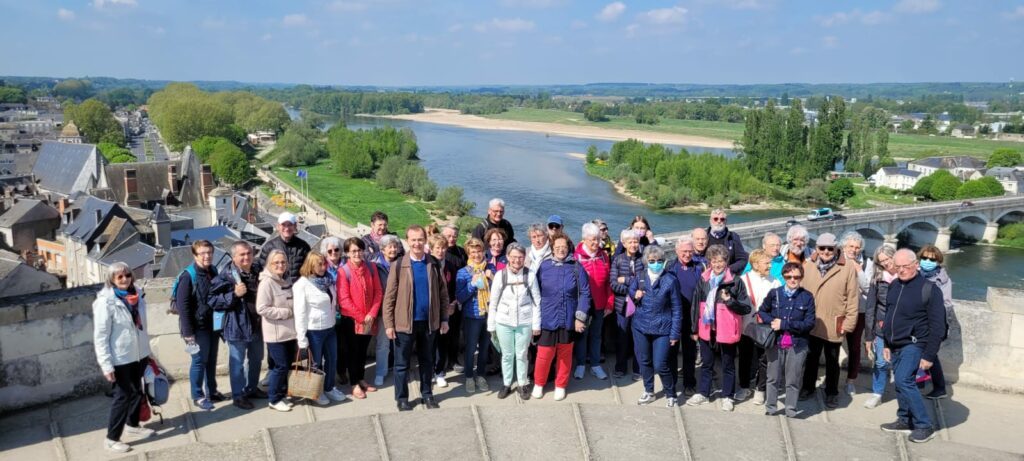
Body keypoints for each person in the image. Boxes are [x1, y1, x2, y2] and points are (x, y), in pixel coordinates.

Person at [879, 249, 945, 443]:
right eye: (897, 266)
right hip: (895, 343)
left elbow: (938, 326)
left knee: (903, 381)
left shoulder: (929, 289)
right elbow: (889, 315)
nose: (901, 270)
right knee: (900, 384)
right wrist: (886, 343)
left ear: (916, 265)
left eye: (906, 266)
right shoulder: (894, 285)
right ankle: (904, 419)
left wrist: (929, 355)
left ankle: (924, 425)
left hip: (915, 343)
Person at [383, 225, 451, 411]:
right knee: (401, 364)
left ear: (425, 240)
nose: (417, 243)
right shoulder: (398, 265)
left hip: (428, 323)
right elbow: (389, 298)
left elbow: (443, 295)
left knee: (427, 361)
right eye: (413, 240)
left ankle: (427, 395)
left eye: (420, 239)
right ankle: (402, 398)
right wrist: (389, 324)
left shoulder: (433, 264)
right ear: (407, 241)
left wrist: (444, 319)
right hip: (404, 324)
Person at [93, 263, 154, 453]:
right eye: (119, 277)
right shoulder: (105, 302)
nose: (124, 279)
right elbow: (101, 336)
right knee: (122, 397)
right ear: (111, 280)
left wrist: (147, 352)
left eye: (127, 275)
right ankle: (111, 439)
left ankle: (132, 425)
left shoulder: (137, 295)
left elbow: (141, 328)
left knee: (137, 391)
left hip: (138, 354)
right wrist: (106, 365)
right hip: (120, 357)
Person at [686, 244, 752, 411]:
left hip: (727, 328)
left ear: (726, 262)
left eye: (721, 261)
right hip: (707, 328)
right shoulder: (704, 279)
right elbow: (696, 305)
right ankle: (703, 393)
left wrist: (730, 301)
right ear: (709, 262)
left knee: (728, 365)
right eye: (714, 261)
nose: (717, 264)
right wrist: (694, 329)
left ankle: (728, 396)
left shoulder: (735, 281)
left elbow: (746, 307)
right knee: (706, 363)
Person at [799, 232, 860, 409]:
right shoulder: (809, 265)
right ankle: (808, 387)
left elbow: (853, 298)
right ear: (816, 248)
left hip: (834, 322)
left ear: (836, 249)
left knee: (832, 361)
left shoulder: (847, 267)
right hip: (813, 321)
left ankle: (832, 392)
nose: (826, 251)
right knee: (811, 358)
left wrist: (849, 323)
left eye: (830, 248)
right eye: (822, 248)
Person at [531, 232, 591, 401]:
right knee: (544, 355)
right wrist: (534, 320)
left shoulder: (576, 267)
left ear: (569, 248)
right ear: (552, 248)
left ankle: (560, 385)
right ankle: (539, 383)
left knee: (565, 355)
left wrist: (580, 317)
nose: (561, 250)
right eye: (557, 247)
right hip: (547, 318)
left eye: (564, 247)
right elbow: (535, 292)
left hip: (568, 318)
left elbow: (585, 293)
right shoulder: (544, 266)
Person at [207, 241, 266, 410]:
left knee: (256, 359)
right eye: (242, 254)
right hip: (237, 326)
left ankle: (251, 388)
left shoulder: (257, 270)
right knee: (237, 363)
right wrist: (234, 294)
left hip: (257, 324)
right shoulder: (226, 275)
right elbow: (212, 300)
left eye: (249, 253)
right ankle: (238, 396)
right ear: (233, 257)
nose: (247, 257)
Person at [758, 262, 816, 418]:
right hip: (775, 342)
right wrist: (772, 322)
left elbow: (809, 323)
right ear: (783, 277)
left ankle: (791, 409)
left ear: (801, 277)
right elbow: (762, 311)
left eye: (796, 277)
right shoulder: (774, 293)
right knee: (773, 378)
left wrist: (784, 324)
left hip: (797, 344)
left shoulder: (807, 297)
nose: (792, 280)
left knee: (793, 379)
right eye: (788, 276)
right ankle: (771, 408)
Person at [630, 245, 683, 407]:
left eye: (659, 260)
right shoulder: (640, 276)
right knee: (644, 361)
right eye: (652, 261)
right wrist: (634, 294)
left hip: (663, 328)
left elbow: (677, 309)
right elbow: (630, 291)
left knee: (660, 364)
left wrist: (675, 333)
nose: (656, 263)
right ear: (647, 261)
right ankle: (649, 391)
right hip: (640, 326)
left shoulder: (671, 280)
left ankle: (671, 394)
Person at [293, 252, 347, 405]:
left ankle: (329, 387)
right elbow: (300, 312)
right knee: (316, 363)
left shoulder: (328, 281)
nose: (324, 267)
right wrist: (301, 338)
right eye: (319, 264)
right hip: (314, 330)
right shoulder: (302, 285)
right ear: (311, 265)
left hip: (330, 327)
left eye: (325, 264)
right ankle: (316, 391)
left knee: (332, 359)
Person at [488, 243, 541, 399]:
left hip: (525, 322)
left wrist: (536, 325)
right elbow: (493, 302)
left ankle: (522, 383)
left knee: (522, 354)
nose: (517, 260)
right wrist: (491, 326)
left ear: (524, 258)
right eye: (514, 257)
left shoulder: (530, 275)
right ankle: (507, 383)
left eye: (520, 257)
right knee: (507, 355)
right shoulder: (500, 275)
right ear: (508, 257)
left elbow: (537, 301)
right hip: (503, 322)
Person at [175, 240, 223, 411]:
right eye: (202, 253)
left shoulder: (213, 270)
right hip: (196, 328)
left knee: (211, 360)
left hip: (212, 325)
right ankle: (198, 396)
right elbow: (183, 307)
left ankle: (212, 391)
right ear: (195, 255)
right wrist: (188, 334)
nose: (207, 256)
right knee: (198, 361)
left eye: (209, 252)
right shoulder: (188, 276)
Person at [337, 237, 383, 399]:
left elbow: (378, 292)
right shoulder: (343, 272)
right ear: (347, 253)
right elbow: (344, 299)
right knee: (352, 351)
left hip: (369, 318)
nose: (357, 254)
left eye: (359, 250)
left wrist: (372, 313)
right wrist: (361, 316)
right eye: (353, 251)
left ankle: (361, 378)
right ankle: (354, 383)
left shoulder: (371, 267)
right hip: (351, 320)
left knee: (363, 350)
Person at [256, 250, 299, 412]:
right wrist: (285, 312)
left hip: (289, 332)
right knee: (280, 366)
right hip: (275, 334)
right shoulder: (267, 283)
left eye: (283, 262)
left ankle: (281, 394)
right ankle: (273, 399)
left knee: (286, 365)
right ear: (269, 264)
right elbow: (262, 308)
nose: (280, 265)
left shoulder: (285, 279)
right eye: (276, 263)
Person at [738, 249, 780, 405]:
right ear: (755, 265)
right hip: (746, 326)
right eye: (766, 263)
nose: (770, 266)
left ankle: (760, 389)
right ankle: (743, 386)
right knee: (745, 358)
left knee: (764, 359)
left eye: (770, 262)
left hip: (765, 327)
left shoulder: (775, 281)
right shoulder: (742, 280)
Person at [573, 222, 614, 380]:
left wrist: (610, 302)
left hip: (600, 303)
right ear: (584, 239)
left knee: (597, 335)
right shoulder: (576, 256)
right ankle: (581, 364)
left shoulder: (604, 255)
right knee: (582, 335)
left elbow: (609, 281)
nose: (595, 242)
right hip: (582, 304)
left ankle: (596, 365)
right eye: (592, 239)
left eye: (597, 239)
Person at [456, 237, 495, 393]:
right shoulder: (463, 272)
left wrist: (492, 278)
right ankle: (469, 377)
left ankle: (480, 375)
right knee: (471, 348)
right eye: (473, 252)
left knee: (485, 348)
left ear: (484, 251)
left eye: (479, 251)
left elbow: (500, 289)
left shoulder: (490, 268)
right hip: (472, 315)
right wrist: (472, 284)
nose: (477, 255)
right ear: (468, 254)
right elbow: (460, 297)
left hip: (488, 314)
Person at [666, 236, 703, 395]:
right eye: (684, 251)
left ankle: (689, 383)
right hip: (673, 316)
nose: (687, 254)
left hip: (692, 317)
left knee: (690, 352)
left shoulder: (699, 267)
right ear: (676, 251)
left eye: (690, 251)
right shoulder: (669, 266)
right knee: (671, 352)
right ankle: (672, 384)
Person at [863, 245, 897, 409]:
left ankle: (906, 393)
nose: (886, 263)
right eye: (882, 261)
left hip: (903, 329)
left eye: (888, 259)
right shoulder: (878, 279)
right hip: (882, 328)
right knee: (881, 363)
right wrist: (869, 336)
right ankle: (877, 393)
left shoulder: (907, 276)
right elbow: (871, 308)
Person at [840, 231, 873, 396]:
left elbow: (867, 287)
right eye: (850, 246)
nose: (854, 249)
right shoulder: (837, 260)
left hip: (859, 311)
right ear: (844, 246)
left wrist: (858, 270)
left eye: (857, 247)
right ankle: (831, 380)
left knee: (854, 347)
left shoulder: (867, 263)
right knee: (832, 345)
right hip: (840, 310)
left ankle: (851, 381)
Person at [917, 244, 951, 400]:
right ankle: (921, 384)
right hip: (917, 321)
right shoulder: (916, 273)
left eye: (932, 259)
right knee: (920, 354)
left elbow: (946, 303)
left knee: (930, 355)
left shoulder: (943, 279)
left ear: (938, 261)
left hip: (931, 323)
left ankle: (938, 388)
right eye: (924, 258)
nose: (927, 261)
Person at [610, 230, 644, 379]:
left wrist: (626, 280)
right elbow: (613, 284)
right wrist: (632, 290)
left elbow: (645, 282)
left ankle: (638, 369)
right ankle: (620, 367)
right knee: (622, 337)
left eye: (636, 241)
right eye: (630, 242)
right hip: (622, 305)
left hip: (639, 304)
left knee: (639, 338)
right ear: (624, 244)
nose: (633, 245)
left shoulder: (643, 259)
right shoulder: (617, 260)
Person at [371, 234, 403, 387]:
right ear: (382, 249)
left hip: (401, 308)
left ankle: (400, 370)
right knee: (383, 343)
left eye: (395, 246)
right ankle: (380, 372)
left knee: (401, 342)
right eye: (390, 247)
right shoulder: (374, 265)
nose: (393, 249)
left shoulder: (403, 263)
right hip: (384, 309)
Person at [440, 226, 465, 375]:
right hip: (441, 300)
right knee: (441, 334)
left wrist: (456, 301)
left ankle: (453, 360)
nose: (451, 239)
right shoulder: (438, 252)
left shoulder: (461, 252)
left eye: (454, 236)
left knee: (454, 332)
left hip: (456, 299)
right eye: (448, 236)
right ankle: (440, 364)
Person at [258, 212, 311, 283]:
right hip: (277, 287)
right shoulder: (269, 247)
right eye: (283, 225)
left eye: (290, 225)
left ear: (295, 226)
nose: (287, 228)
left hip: (298, 288)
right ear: (278, 226)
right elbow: (262, 270)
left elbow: (310, 270)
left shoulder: (304, 247)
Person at [706, 209, 749, 274]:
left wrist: (727, 270)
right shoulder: (704, 237)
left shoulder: (733, 237)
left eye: (722, 219)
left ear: (726, 221)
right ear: (710, 220)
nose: (719, 221)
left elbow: (742, 259)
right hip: (707, 276)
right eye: (715, 219)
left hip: (728, 276)